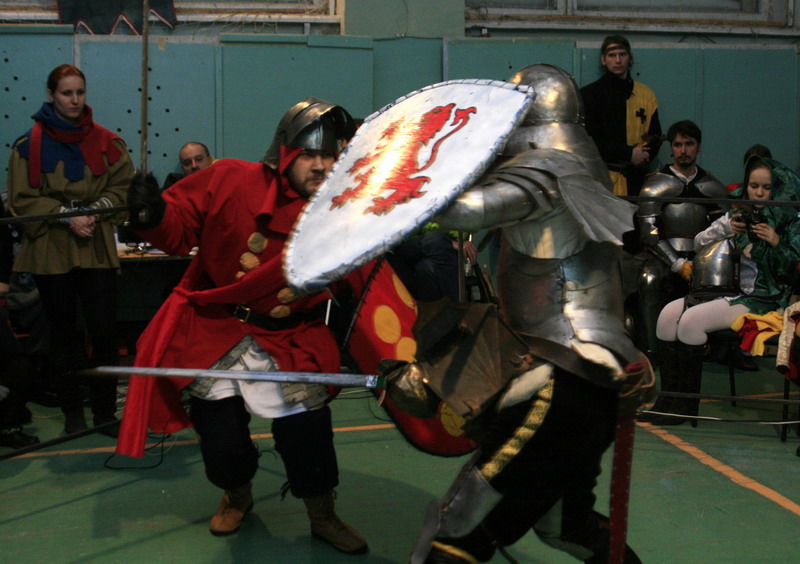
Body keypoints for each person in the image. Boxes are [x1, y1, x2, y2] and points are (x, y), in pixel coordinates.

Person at [385, 65, 651, 564]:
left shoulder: (546, 168)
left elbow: (464, 210)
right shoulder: (581, 163)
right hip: (591, 375)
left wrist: (398, 172)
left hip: (563, 376)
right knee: (566, 528)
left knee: (457, 529)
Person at [117, 98, 376, 555]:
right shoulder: (230, 179)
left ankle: (323, 515)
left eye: (328, 155)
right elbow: (177, 229)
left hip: (293, 336)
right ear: (285, 153)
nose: (320, 165)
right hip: (219, 329)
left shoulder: (343, 209)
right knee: (223, 444)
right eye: (309, 154)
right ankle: (237, 496)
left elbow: (370, 284)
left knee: (309, 438)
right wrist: (150, 215)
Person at [6, 64, 134, 436]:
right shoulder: (27, 147)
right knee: (63, 336)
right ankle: (73, 416)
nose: (75, 100)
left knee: (104, 332)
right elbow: (22, 198)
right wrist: (66, 216)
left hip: (95, 244)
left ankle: (105, 414)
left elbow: (122, 188)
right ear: (51, 95)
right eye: (66, 93)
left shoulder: (108, 142)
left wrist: (93, 211)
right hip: (52, 250)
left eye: (80, 92)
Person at [642, 156, 800, 425]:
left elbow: (793, 273)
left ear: (776, 188)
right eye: (753, 186)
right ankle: (669, 399)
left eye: (766, 187)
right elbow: (699, 242)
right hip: (729, 291)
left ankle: (685, 405)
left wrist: (776, 242)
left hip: (766, 298)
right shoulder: (739, 214)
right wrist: (727, 227)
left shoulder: (790, 222)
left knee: (691, 321)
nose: (759, 193)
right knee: (667, 315)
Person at [634, 120, 728, 359]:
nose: (683, 150)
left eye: (689, 144)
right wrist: (677, 263)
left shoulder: (711, 185)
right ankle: (652, 349)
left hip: (702, 255)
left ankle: (710, 348)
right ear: (671, 148)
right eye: (678, 145)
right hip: (662, 255)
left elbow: (722, 230)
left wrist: (704, 260)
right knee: (649, 279)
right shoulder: (655, 184)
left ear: (699, 146)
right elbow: (649, 232)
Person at [581, 34, 662, 196]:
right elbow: (588, 141)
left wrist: (645, 154)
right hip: (602, 180)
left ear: (630, 57)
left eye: (622, 54)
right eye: (612, 55)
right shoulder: (590, 95)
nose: (618, 60)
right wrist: (628, 153)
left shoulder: (646, 95)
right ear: (604, 60)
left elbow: (655, 135)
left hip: (637, 180)